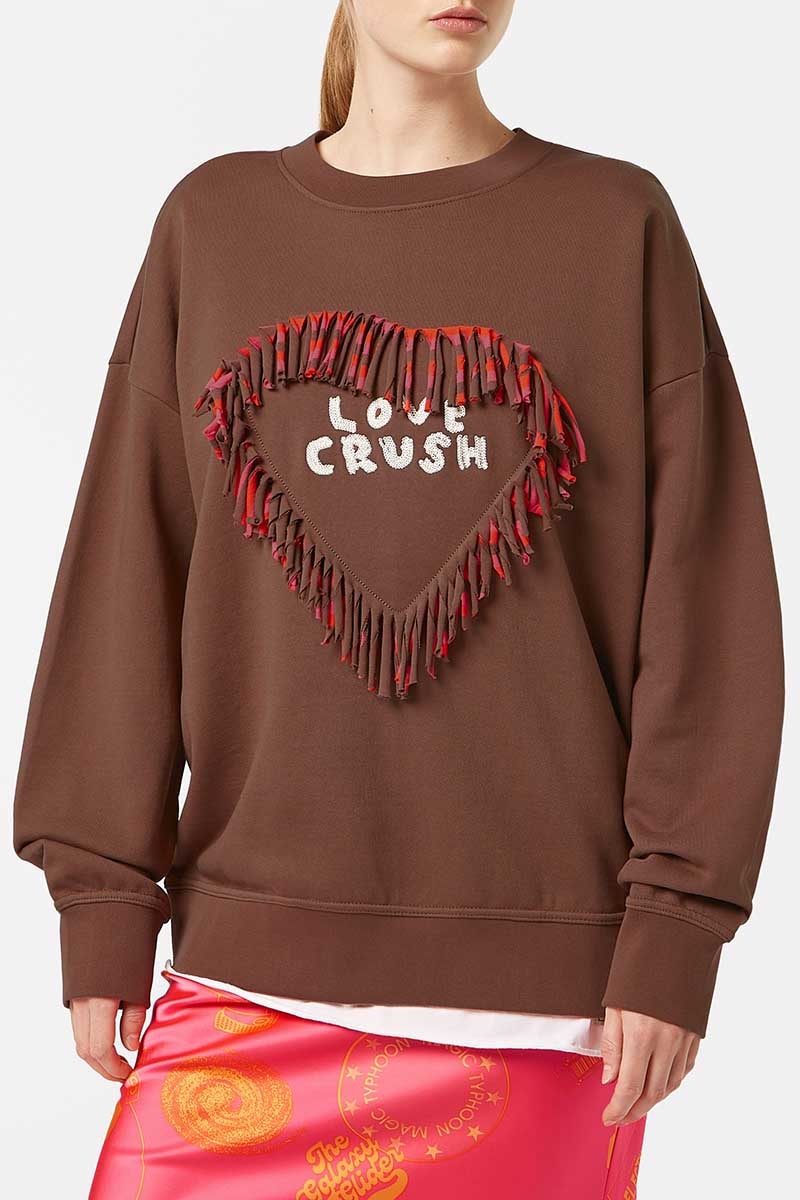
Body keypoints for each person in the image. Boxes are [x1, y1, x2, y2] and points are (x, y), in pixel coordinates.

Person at [12, 2, 784, 1197]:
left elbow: (704, 597)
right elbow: (127, 569)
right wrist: (103, 894)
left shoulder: (612, 222)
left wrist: (675, 925)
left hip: (546, 1007)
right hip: (241, 977)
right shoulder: (214, 223)